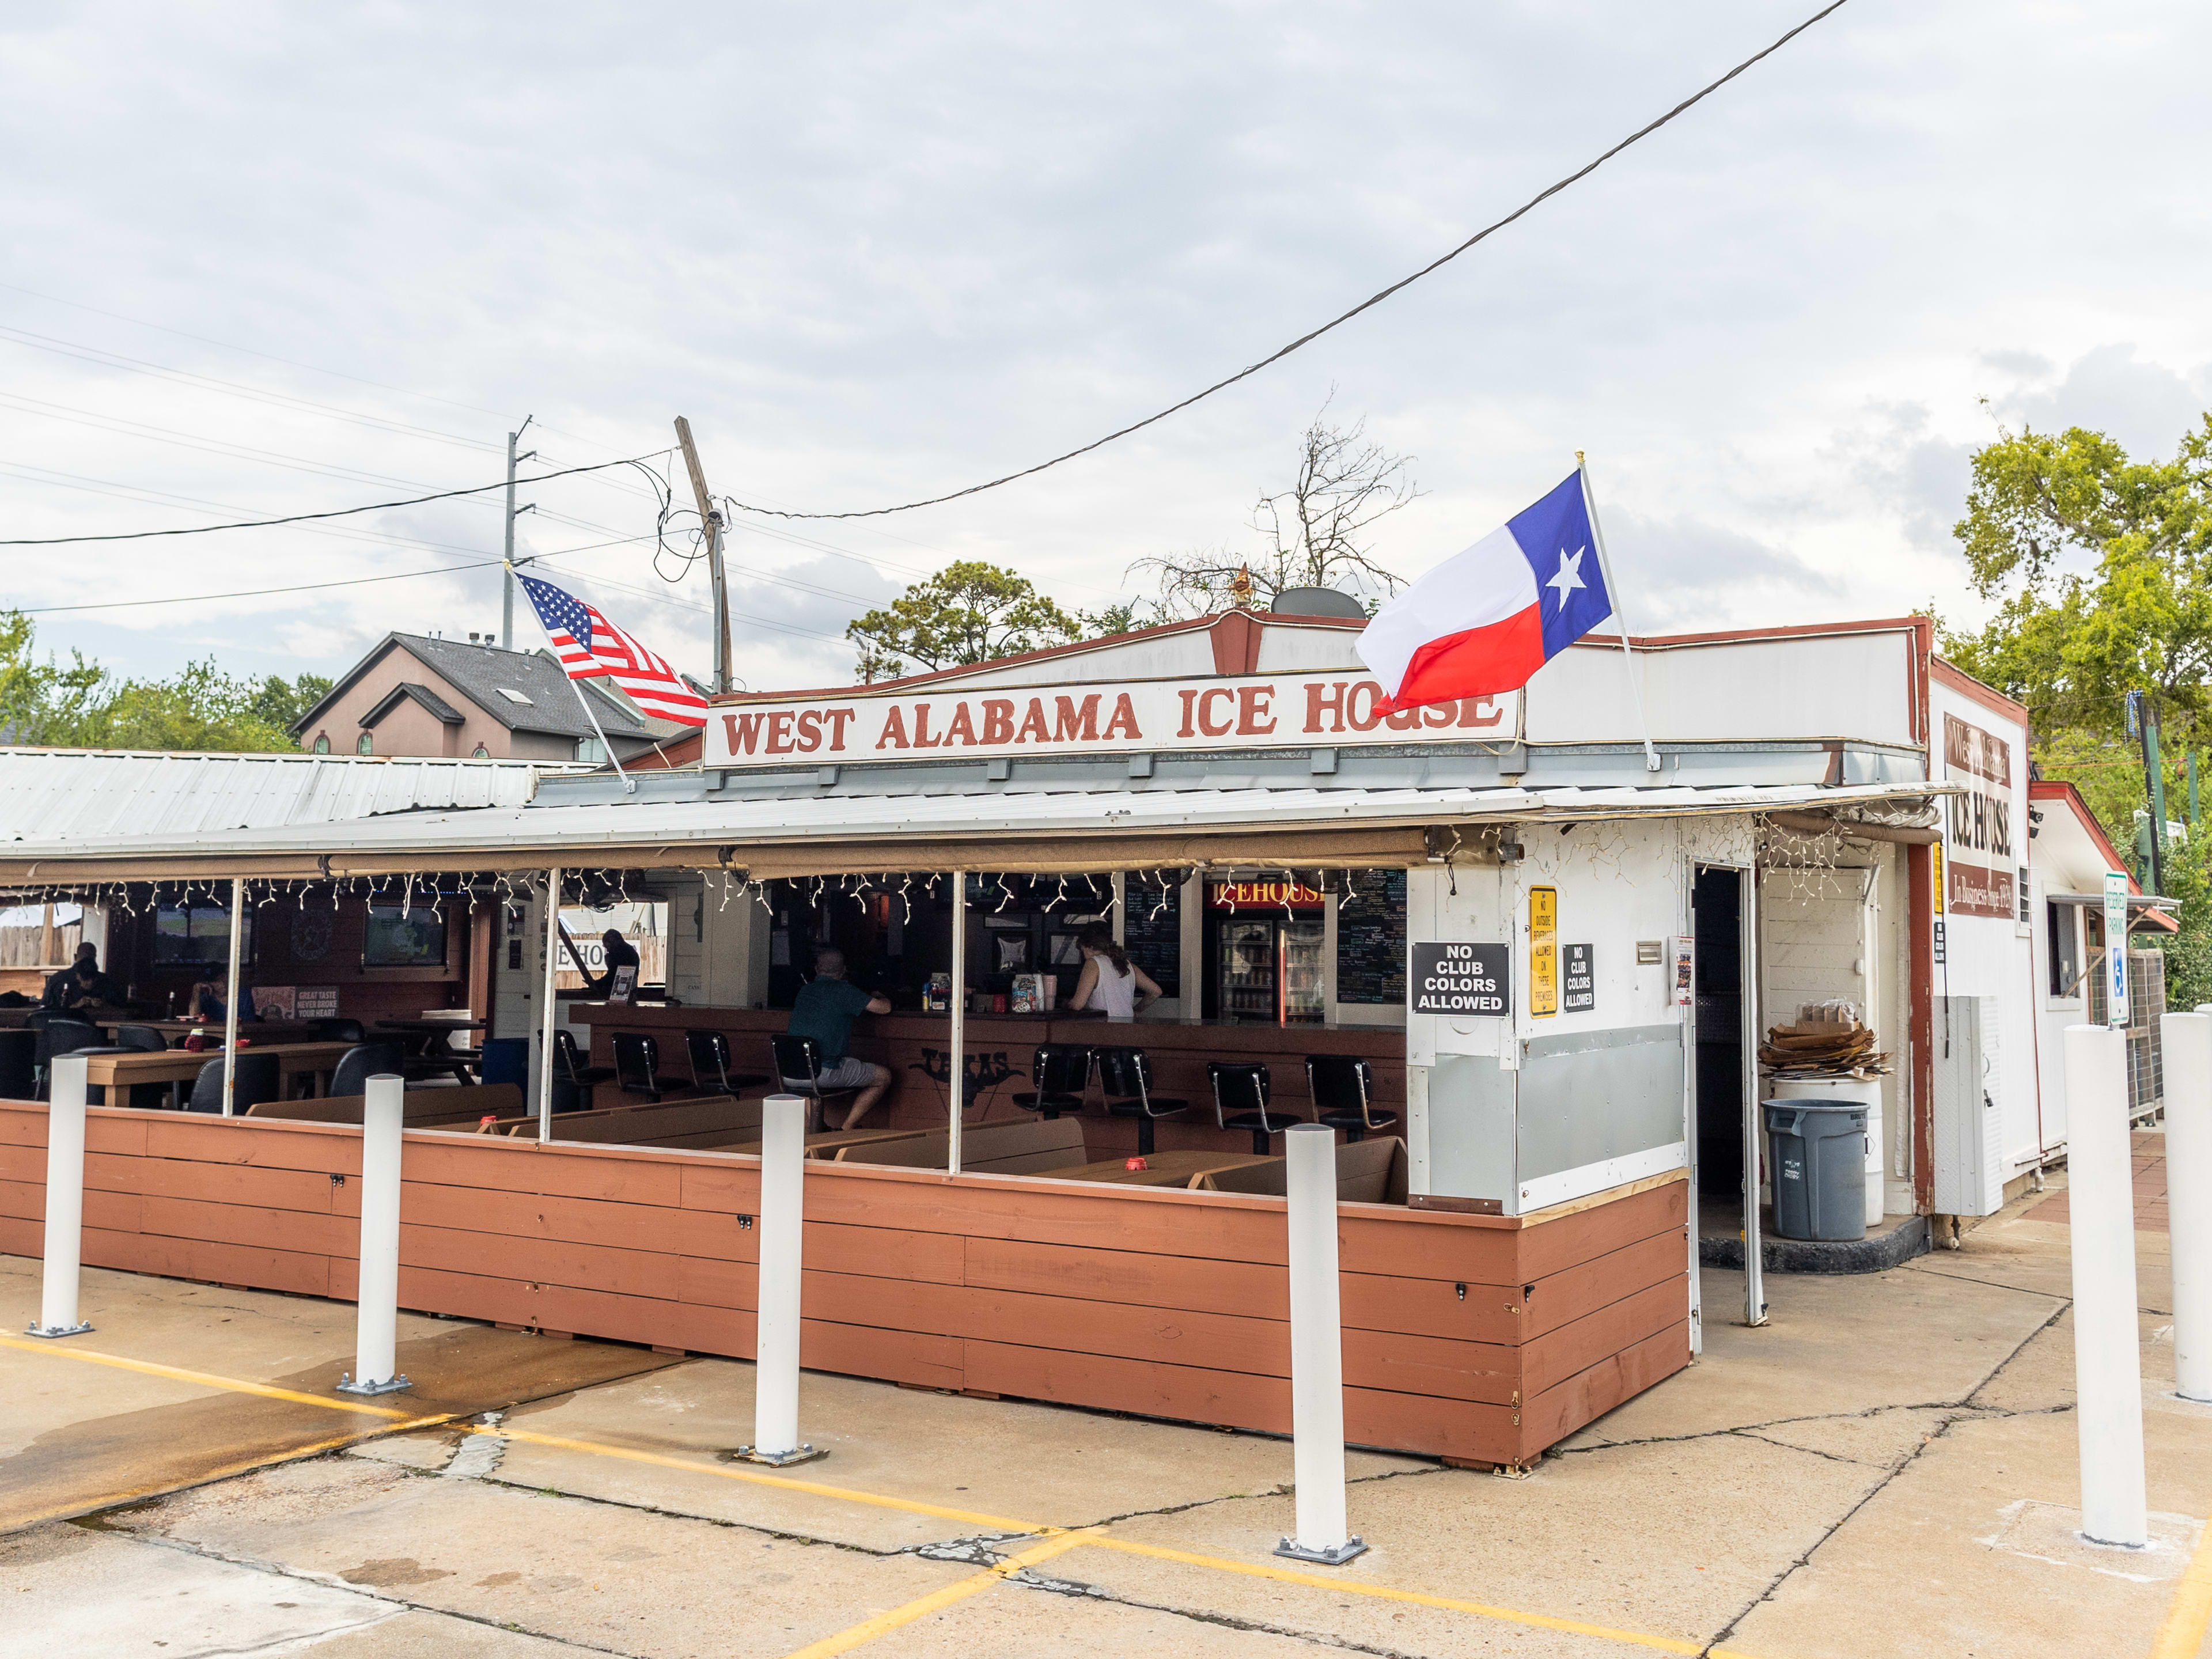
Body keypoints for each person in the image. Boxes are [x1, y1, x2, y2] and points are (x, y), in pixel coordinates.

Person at [784, 947, 891, 1131]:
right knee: (884, 1076)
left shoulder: (805, 991)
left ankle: (819, 1130)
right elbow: (884, 1009)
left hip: (791, 1073)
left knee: (811, 1079)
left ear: (817, 969)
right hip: (822, 1073)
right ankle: (848, 1127)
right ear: (843, 971)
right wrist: (880, 995)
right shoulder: (845, 991)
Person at [1068, 926, 1160, 1022]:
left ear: (1090, 948)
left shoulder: (1093, 964)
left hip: (1104, 1028)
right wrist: (1136, 1010)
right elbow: (1156, 992)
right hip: (1127, 1027)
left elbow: (1077, 1005)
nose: (1084, 956)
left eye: (1083, 951)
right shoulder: (1128, 965)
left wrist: (1066, 1004)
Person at [43, 942, 119, 1010]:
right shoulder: (105, 980)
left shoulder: (56, 979)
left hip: (60, 1023)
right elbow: (117, 1009)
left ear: (76, 957)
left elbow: (45, 1007)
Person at [584, 929, 641, 999]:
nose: (608, 950)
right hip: (629, 994)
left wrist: (597, 984)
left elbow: (613, 975)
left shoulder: (620, 953)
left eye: (608, 947)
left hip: (620, 996)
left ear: (614, 942)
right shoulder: (630, 951)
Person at [189, 978, 258, 1022]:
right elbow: (194, 1017)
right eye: (216, 982)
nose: (222, 985)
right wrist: (197, 990)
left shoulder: (242, 994)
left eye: (223, 979)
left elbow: (250, 1021)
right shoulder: (206, 998)